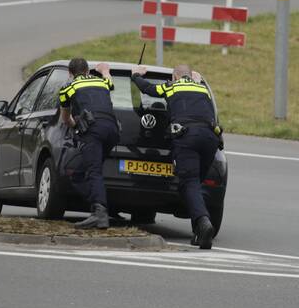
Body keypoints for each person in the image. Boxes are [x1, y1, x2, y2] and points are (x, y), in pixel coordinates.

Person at [131, 63, 221, 249]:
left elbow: (148, 89)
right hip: (210, 138)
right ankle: (200, 231)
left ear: (175, 77)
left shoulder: (172, 86)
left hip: (187, 137)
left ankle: (203, 223)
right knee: (196, 183)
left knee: (189, 182)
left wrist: (136, 76)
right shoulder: (202, 88)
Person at [59, 57, 119, 229]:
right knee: (79, 175)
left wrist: (76, 124)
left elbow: (66, 119)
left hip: (93, 131)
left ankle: (100, 214)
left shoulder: (68, 88)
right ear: (87, 71)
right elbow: (110, 82)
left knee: (93, 171)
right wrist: (105, 70)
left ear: (70, 74)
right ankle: (102, 205)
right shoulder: (102, 82)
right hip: (112, 130)